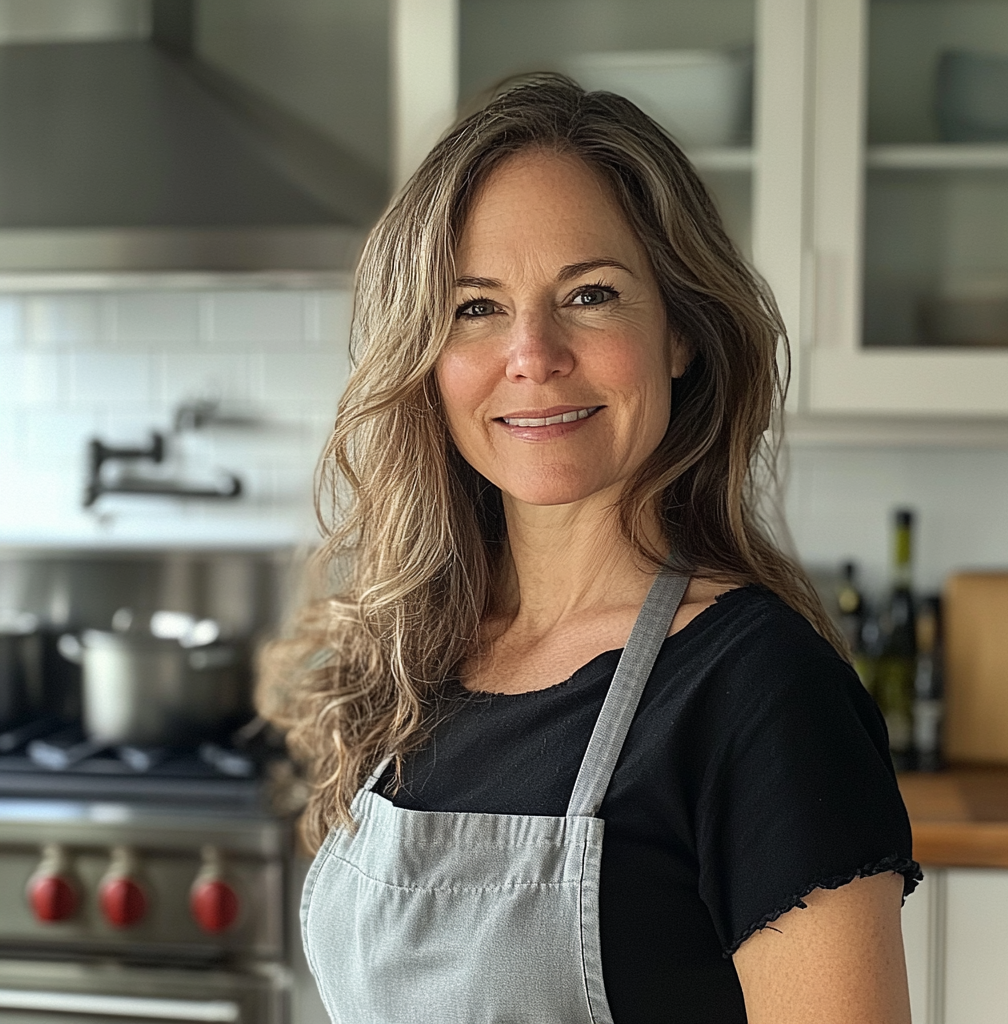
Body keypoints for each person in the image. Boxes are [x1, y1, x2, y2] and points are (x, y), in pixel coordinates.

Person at [260, 74, 920, 1024]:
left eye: (592, 295)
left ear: (682, 332)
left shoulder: (763, 697)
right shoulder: (413, 656)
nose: (533, 353)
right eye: (475, 307)